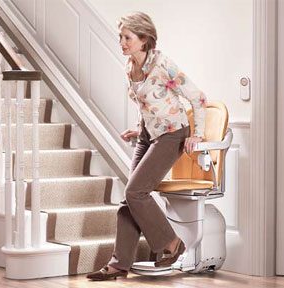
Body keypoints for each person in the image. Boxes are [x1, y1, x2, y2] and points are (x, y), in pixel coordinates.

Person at [87, 11, 207, 281]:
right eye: (121, 37)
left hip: (172, 134)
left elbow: (198, 98)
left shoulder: (163, 65)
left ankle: (172, 243)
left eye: (127, 37)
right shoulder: (131, 67)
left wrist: (196, 134)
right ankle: (119, 265)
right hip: (147, 135)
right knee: (129, 198)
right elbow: (146, 105)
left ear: (144, 39)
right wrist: (139, 129)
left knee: (135, 192)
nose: (122, 42)